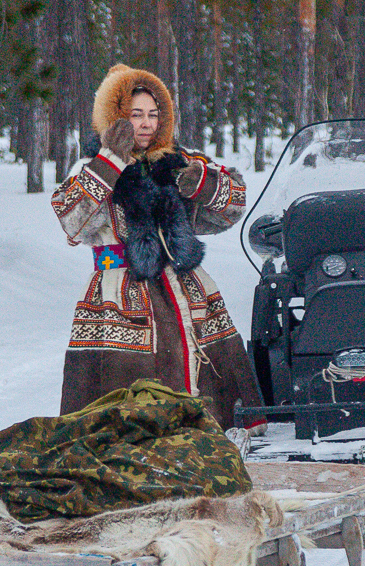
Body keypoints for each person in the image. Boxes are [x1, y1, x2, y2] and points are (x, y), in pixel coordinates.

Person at [51, 64, 264, 429]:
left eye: (153, 114)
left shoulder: (176, 162)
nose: (146, 124)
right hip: (119, 294)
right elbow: (71, 219)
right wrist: (111, 162)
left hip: (187, 288)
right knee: (122, 405)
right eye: (135, 116)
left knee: (216, 400)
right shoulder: (90, 167)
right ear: (115, 118)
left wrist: (200, 182)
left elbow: (234, 207)